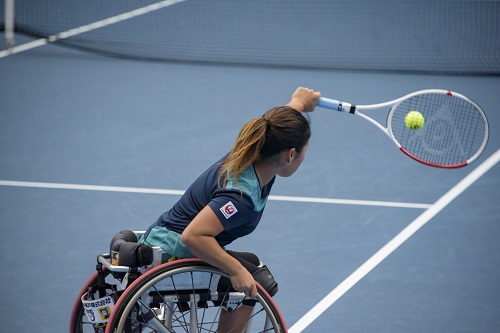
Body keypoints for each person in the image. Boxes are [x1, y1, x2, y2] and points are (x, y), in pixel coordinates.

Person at [140, 86, 320, 332]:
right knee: (254, 280)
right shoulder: (242, 197)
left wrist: (297, 102)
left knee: (252, 267)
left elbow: (277, 126)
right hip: (174, 251)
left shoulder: (253, 150)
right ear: (290, 155)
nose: (304, 157)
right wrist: (235, 271)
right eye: (304, 152)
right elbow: (193, 236)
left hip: (162, 238)